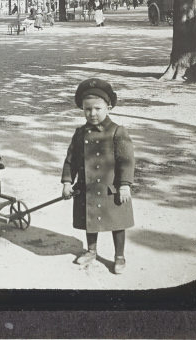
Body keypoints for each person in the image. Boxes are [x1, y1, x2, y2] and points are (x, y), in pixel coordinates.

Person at [61, 78, 135, 274]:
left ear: (108, 107)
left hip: (112, 188)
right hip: (88, 187)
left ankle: (119, 256)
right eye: (87, 109)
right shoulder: (80, 133)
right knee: (90, 218)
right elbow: (71, 159)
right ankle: (91, 251)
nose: (92, 114)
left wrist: (125, 185)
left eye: (97, 108)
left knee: (117, 222)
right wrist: (68, 181)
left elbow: (127, 160)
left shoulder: (117, 132)